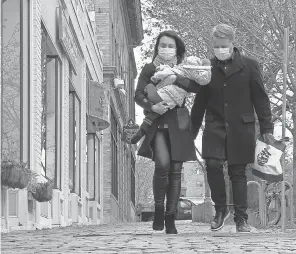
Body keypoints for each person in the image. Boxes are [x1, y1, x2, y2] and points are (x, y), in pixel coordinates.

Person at [190, 24, 274, 233]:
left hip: (241, 127)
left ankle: (241, 219)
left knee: (238, 172)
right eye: (216, 46)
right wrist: (190, 131)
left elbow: (260, 98)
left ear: (232, 44)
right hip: (214, 125)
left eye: (224, 45)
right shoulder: (207, 68)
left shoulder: (250, 66)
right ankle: (220, 210)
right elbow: (199, 102)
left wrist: (267, 127)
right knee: (212, 163)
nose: (220, 50)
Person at [134, 30, 201, 234]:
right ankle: (159, 210)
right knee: (162, 165)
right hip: (157, 125)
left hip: (179, 124)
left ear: (177, 49)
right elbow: (138, 94)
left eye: (171, 46)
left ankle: (171, 218)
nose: (166, 49)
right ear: (157, 47)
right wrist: (152, 106)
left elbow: (195, 87)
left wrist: (174, 77)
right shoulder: (149, 68)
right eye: (162, 45)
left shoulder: (184, 70)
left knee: (175, 171)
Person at [131, 56, 211, 144]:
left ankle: (142, 132)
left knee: (153, 110)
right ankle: (142, 132)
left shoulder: (180, 69)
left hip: (168, 96)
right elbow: (201, 82)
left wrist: (159, 77)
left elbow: (195, 87)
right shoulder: (188, 72)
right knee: (153, 114)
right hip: (173, 100)